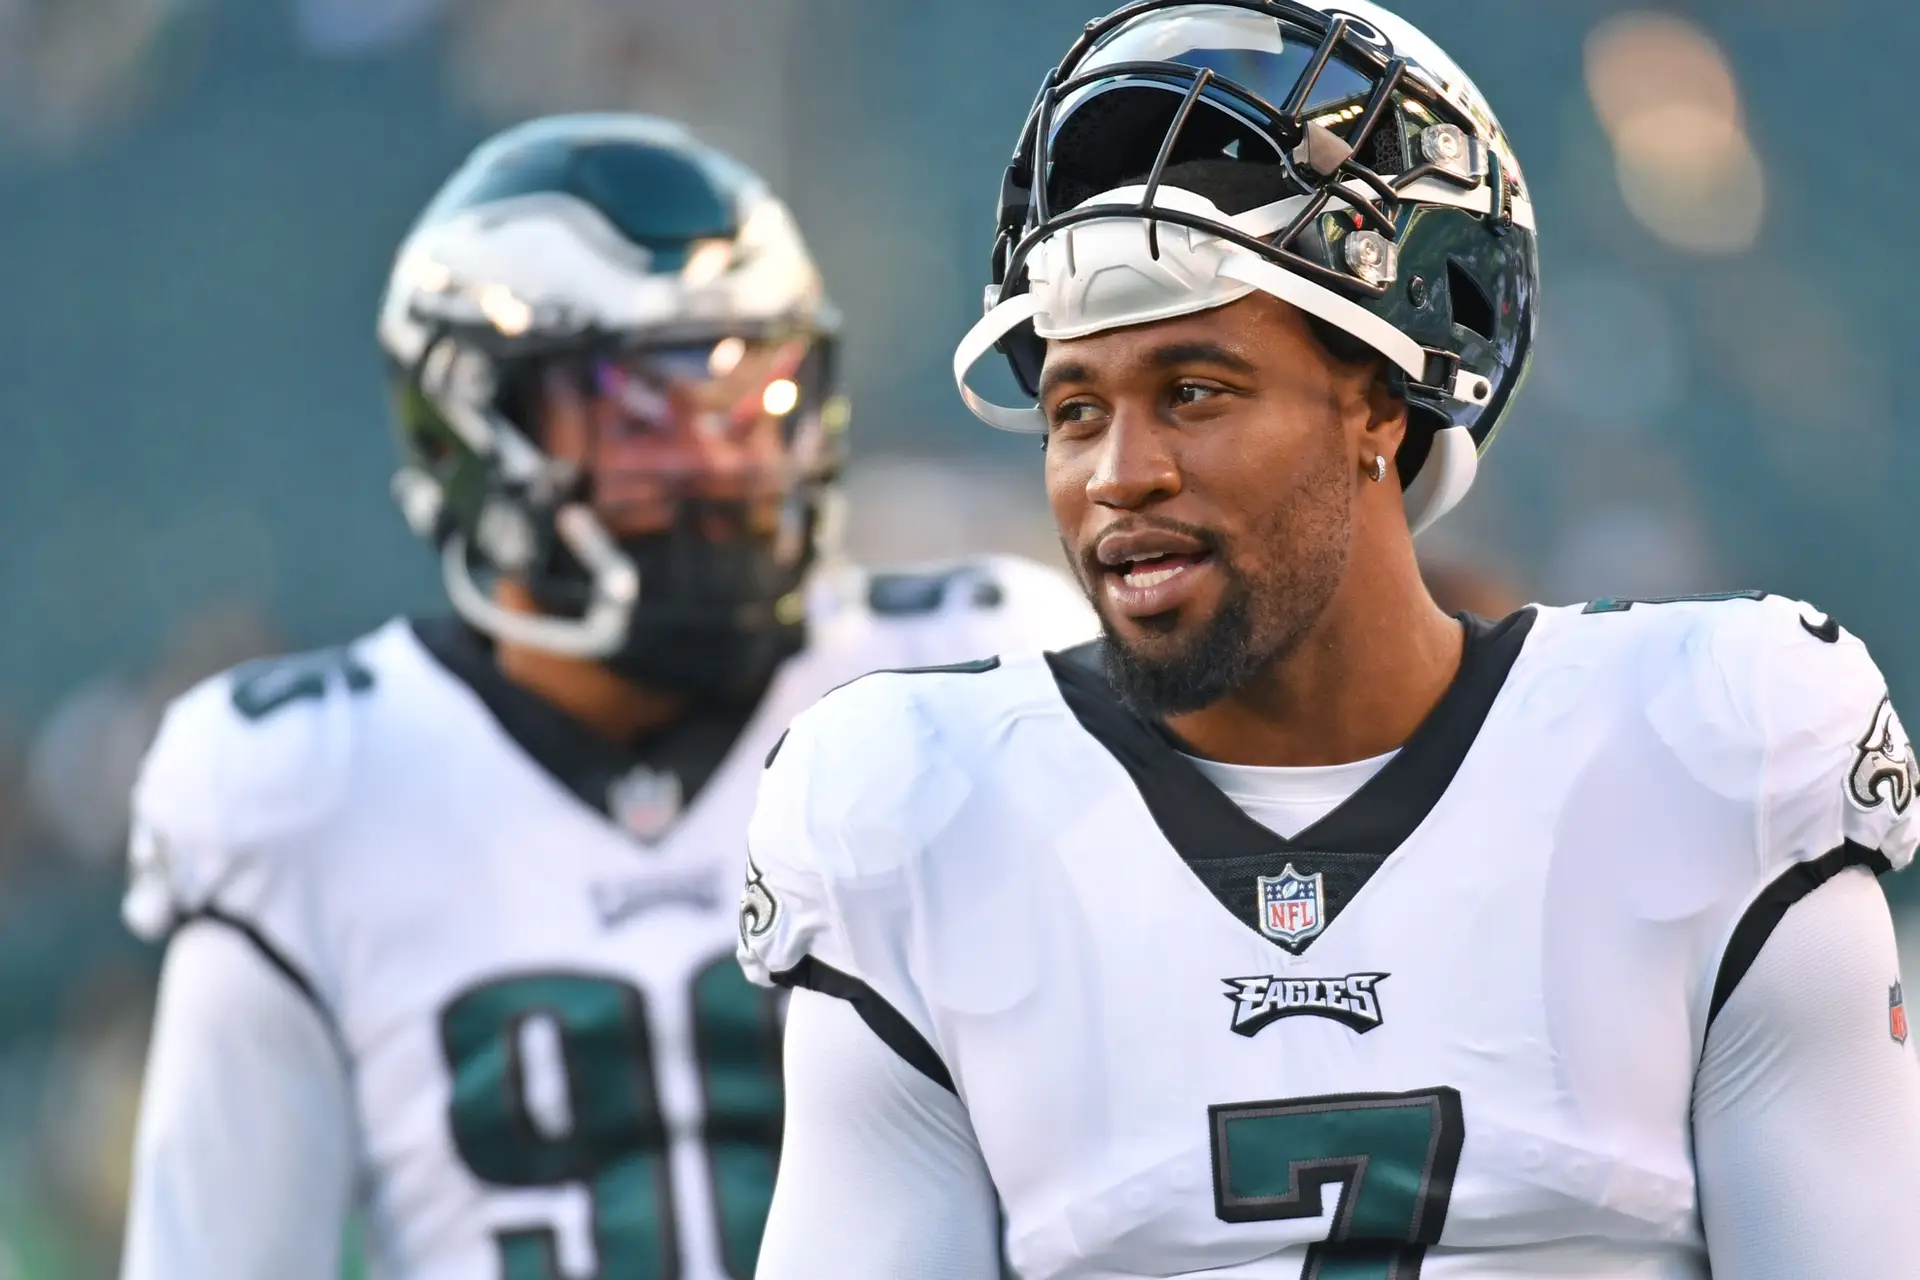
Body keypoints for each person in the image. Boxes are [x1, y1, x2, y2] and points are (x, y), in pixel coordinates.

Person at [738, 5, 1920, 1277]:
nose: (1117, 475)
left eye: (1194, 391)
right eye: (1076, 409)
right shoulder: (914, 815)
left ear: (1379, 399)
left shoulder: (1714, 752)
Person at [117, 114, 1094, 1280]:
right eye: (639, 410)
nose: (720, 463)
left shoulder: (964, 678)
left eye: (756, 397)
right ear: (476, 428)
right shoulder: (302, 784)